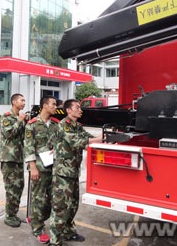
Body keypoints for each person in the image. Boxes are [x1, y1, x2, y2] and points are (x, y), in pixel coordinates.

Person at [49, 99, 103, 246]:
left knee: (72, 205)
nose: (80, 110)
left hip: (72, 172)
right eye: (77, 107)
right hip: (62, 174)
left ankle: (67, 232)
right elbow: (76, 142)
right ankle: (55, 241)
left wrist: (104, 138)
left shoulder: (77, 126)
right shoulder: (63, 125)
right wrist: (99, 139)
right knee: (61, 208)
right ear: (68, 110)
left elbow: (87, 137)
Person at [24, 96, 59, 244]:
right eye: (53, 104)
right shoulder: (32, 125)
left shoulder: (55, 124)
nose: (55, 107)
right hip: (38, 167)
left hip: (53, 167)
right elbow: (29, 148)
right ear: (44, 105)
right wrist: (33, 168)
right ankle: (37, 229)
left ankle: (36, 218)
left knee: (53, 199)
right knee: (38, 199)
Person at [0, 93, 28, 227]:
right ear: (14, 102)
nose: (24, 103)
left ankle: (13, 214)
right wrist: (19, 121)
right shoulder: (6, 117)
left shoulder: (20, 117)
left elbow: (25, 136)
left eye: (24, 101)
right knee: (11, 189)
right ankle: (9, 216)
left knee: (19, 187)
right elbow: (8, 134)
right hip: (9, 159)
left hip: (19, 158)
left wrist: (26, 121)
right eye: (21, 100)